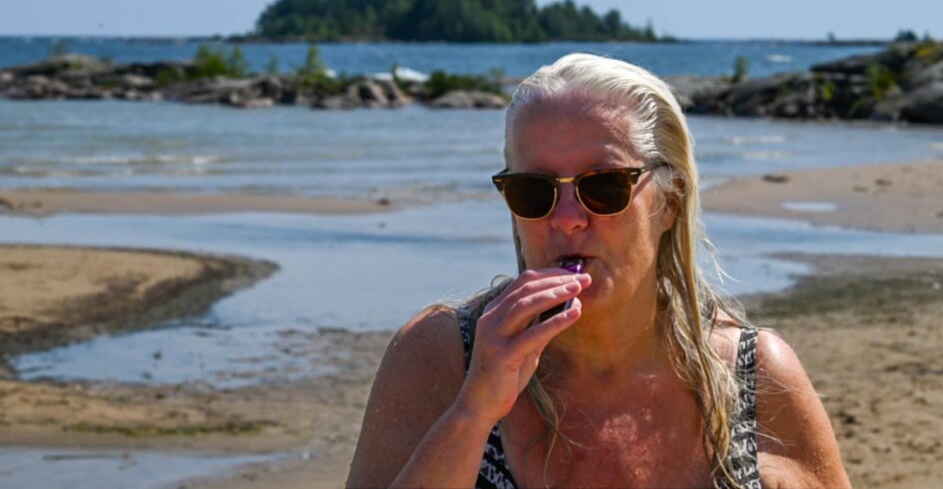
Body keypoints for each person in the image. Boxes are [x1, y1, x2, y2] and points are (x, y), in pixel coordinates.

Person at [347, 53, 850, 488]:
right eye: (534, 190)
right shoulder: (442, 358)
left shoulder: (752, 374)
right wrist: (473, 413)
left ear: (671, 200)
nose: (566, 218)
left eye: (604, 187)